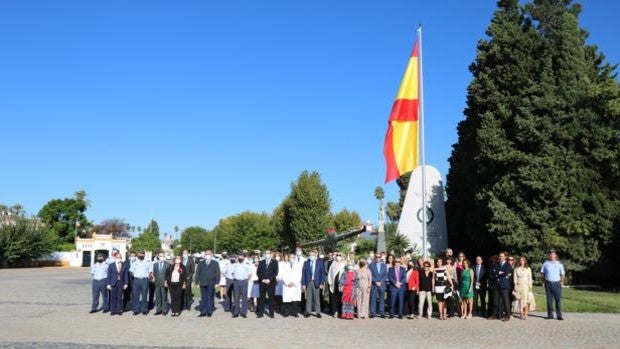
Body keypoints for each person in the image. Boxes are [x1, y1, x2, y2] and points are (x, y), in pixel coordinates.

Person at [195, 250, 220, 317]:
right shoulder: (201, 263)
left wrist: (217, 282)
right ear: (204, 255)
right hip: (202, 283)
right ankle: (203, 311)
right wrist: (197, 282)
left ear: (212, 255)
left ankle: (209, 311)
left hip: (211, 283)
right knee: (203, 298)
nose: (207, 255)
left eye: (209, 254)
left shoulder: (215, 263)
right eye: (206, 254)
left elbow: (218, 273)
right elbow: (197, 273)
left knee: (210, 297)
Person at [541, 249, 565, 321]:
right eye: (551, 255)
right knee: (549, 300)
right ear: (549, 256)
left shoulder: (560, 264)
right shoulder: (545, 264)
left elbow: (562, 274)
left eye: (553, 255)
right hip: (548, 283)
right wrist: (542, 282)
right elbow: (542, 274)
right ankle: (550, 315)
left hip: (557, 284)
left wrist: (561, 282)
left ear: (556, 256)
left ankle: (559, 315)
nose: (552, 256)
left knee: (558, 300)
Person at [302, 249, 325, 318]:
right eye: (310, 255)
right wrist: (303, 283)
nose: (311, 256)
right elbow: (303, 274)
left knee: (316, 298)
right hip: (308, 282)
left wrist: (322, 283)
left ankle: (318, 312)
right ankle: (308, 312)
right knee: (308, 298)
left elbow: (322, 274)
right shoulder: (306, 262)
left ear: (315, 255)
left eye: (313, 255)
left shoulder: (320, 262)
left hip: (317, 282)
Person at [256, 250, 278, 318]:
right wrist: (262, 279)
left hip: (271, 283)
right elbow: (258, 272)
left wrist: (269, 279)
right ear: (264, 254)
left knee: (271, 298)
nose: (267, 254)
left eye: (268, 253)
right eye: (266, 253)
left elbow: (275, 272)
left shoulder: (275, 262)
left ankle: (271, 313)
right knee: (261, 298)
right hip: (262, 283)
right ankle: (260, 313)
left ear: (271, 254)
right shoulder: (261, 262)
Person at [129, 250, 152, 316]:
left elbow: (150, 271)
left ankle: (144, 310)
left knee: (144, 295)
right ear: (137, 255)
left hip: (145, 280)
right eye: (139, 254)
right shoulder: (134, 262)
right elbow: (131, 271)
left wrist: (148, 277)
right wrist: (135, 275)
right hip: (136, 280)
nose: (141, 255)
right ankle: (136, 310)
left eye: (142, 254)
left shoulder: (148, 262)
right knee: (136, 296)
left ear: (144, 255)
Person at [282, 253, 303, 317]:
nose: (292, 258)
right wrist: (287, 283)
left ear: (295, 258)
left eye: (293, 257)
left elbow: (300, 275)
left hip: (295, 285)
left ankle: (294, 312)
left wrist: (294, 283)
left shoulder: (298, 265)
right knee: (287, 299)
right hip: (287, 285)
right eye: (290, 257)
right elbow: (283, 275)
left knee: (295, 299)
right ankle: (286, 312)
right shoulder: (285, 265)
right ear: (288, 258)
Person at [494, 251, 513, 322]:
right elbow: (494, 271)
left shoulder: (508, 265)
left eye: (502, 256)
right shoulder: (497, 264)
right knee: (498, 301)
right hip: (497, 285)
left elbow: (506, 273)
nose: (501, 257)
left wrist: (499, 273)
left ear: (505, 257)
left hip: (504, 285)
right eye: (500, 256)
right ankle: (500, 315)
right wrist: (500, 273)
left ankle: (508, 316)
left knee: (506, 301)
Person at [231, 253, 251, 318]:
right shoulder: (235, 264)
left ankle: (244, 312)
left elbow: (250, 273)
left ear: (244, 258)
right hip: (236, 282)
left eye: (241, 257)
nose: (240, 258)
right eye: (239, 257)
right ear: (238, 258)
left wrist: (246, 280)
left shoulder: (247, 264)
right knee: (236, 297)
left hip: (244, 282)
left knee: (244, 298)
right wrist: (235, 278)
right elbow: (232, 273)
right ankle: (236, 313)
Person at [327, 252, 346, 318]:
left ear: (343, 256)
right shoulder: (333, 263)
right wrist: (330, 281)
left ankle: (340, 312)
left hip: (342, 283)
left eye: (340, 255)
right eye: (337, 255)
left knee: (341, 297)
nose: (338, 256)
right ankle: (335, 311)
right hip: (334, 283)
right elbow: (330, 273)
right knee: (334, 297)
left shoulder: (345, 264)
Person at [151, 251, 170, 316]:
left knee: (164, 297)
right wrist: (153, 277)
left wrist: (167, 281)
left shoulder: (168, 264)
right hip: (157, 283)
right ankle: (158, 310)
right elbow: (154, 274)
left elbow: (169, 275)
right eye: (161, 256)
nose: (162, 257)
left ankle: (164, 310)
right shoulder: (155, 265)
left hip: (164, 283)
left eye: (163, 256)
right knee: (158, 297)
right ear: (158, 257)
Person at [369, 253, 387, 318]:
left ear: (381, 258)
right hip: (374, 284)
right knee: (373, 298)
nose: (378, 258)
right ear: (375, 258)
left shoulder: (384, 265)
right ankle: (373, 313)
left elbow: (385, 275)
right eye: (376, 257)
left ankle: (381, 312)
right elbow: (370, 275)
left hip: (382, 284)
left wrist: (381, 281)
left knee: (382, 299)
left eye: (379, 257)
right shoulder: (371, 265)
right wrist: (375, 281)